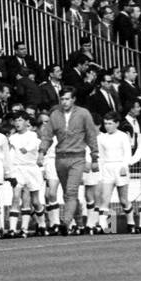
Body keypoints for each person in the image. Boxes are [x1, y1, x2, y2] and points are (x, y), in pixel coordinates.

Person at [38, 87, 100, 233]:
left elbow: (91, 135)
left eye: (67, 99)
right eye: (62, 99)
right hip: (60, 158)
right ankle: (79, 224)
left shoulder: (83, 113)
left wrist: (94, 156)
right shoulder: (55, 115)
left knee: (71, 191)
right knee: (68, 193)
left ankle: (65, 222)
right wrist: (42, 152)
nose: (64, 102)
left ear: (73, 99)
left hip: (77, 157)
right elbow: (47, 135)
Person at [6, 112, 45, 238]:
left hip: (31, 170)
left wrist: (26, 149)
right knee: (16, 197)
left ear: (27, 122)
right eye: (16, 120)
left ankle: (42, 225)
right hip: (18, 169)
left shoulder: (32, 135)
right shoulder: (12, 138)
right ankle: (14, 229)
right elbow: (10, 155)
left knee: (34, 201)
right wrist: (9, 171)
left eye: (20, 120)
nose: (18, 123)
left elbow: (34, 145)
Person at [95, 113, 133, 234]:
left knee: (123, 200)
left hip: (120, 168)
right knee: (104, 198)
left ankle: (131, 223)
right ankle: (102, 225)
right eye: (106, 123)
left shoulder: (123, 136)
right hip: (107, 168)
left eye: (110, 123)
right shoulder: (101, 138)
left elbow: (128, 153)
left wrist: (124, 166)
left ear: (117, 123)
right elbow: (100, 156)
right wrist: (100, 172)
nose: (107, 126)